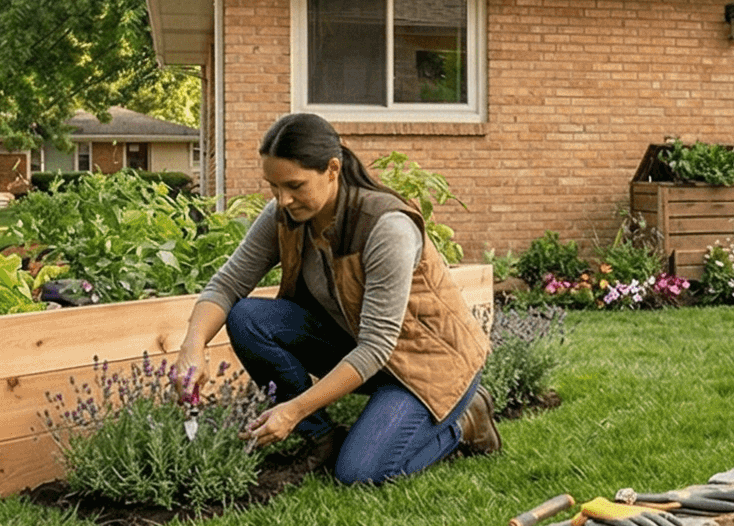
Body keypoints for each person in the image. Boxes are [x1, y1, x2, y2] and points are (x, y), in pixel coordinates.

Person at [172, 112, 496, 483]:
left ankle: (466, 422)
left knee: (362, 473)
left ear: (332, 169)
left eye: (294, 185)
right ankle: (321, 440)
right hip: (360, 348)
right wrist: (193, 345)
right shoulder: (285, 213)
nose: (283, 200)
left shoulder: (386, 228)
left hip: (428, 365)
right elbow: (228, 284)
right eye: (274, 187)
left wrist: (291, 410)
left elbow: (377, 347)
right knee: (247, 317)